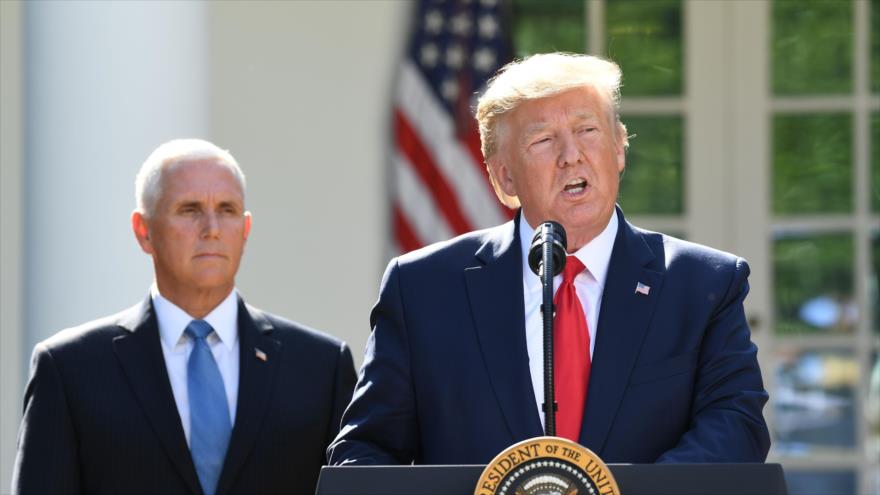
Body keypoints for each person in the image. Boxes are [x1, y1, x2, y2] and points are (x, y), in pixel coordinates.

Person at [328, 53, 770, 465]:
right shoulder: (425, 289)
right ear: (503, 177)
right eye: (543, 140)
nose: (571, 155)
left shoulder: (702, 285)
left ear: (619, 148)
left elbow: (737, 427)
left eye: (587, 130)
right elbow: (365, 453)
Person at [12, 139, 357, 494]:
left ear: (246, 229)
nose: (212, 228)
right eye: (190, 209)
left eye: (227, 209)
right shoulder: (71, 368)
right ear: (143, 231)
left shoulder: (320, 368)